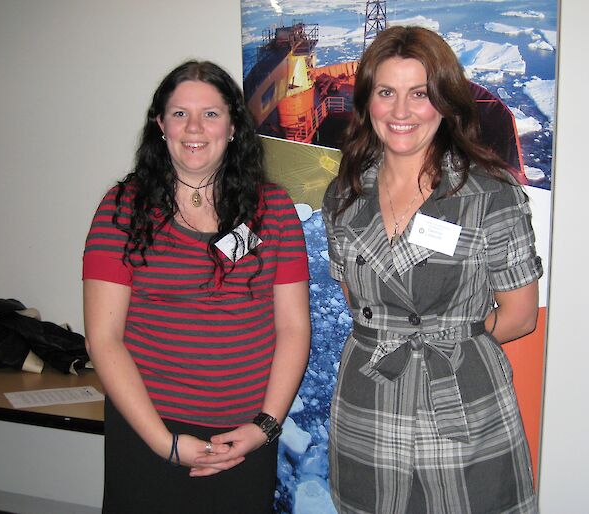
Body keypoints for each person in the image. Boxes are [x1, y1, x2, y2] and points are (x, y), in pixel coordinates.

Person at [322, 26, 542, 514]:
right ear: (368, 103)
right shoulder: (342, 197)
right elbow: (359, 303)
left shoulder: (491, 195)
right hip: (370, 396)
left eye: (419, 94)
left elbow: (521, 315)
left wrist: (448, 340)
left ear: (443, 102)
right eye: (386, 93)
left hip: (463, 398)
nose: (401, 112)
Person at [83, 60, 311, 514]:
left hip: (245, 436)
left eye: (210, 113)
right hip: (148, 432)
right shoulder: (123, 210)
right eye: (179, 113)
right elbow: (103, 340)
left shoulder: (275, 209)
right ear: (159, 124)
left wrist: (264, 427)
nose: (194, 127)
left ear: (232, 128)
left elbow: (292, 327)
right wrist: (165, 444)